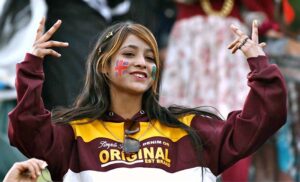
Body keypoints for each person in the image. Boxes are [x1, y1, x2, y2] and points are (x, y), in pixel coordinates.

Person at [8, 17, 287, 181]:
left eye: (150, 57)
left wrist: (259, 64)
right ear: (103, 66)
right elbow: (27, 130)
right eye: (128, 55)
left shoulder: (190, 128)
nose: (142, 63)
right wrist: (32, 67)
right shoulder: (73, 132)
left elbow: (262, 120)